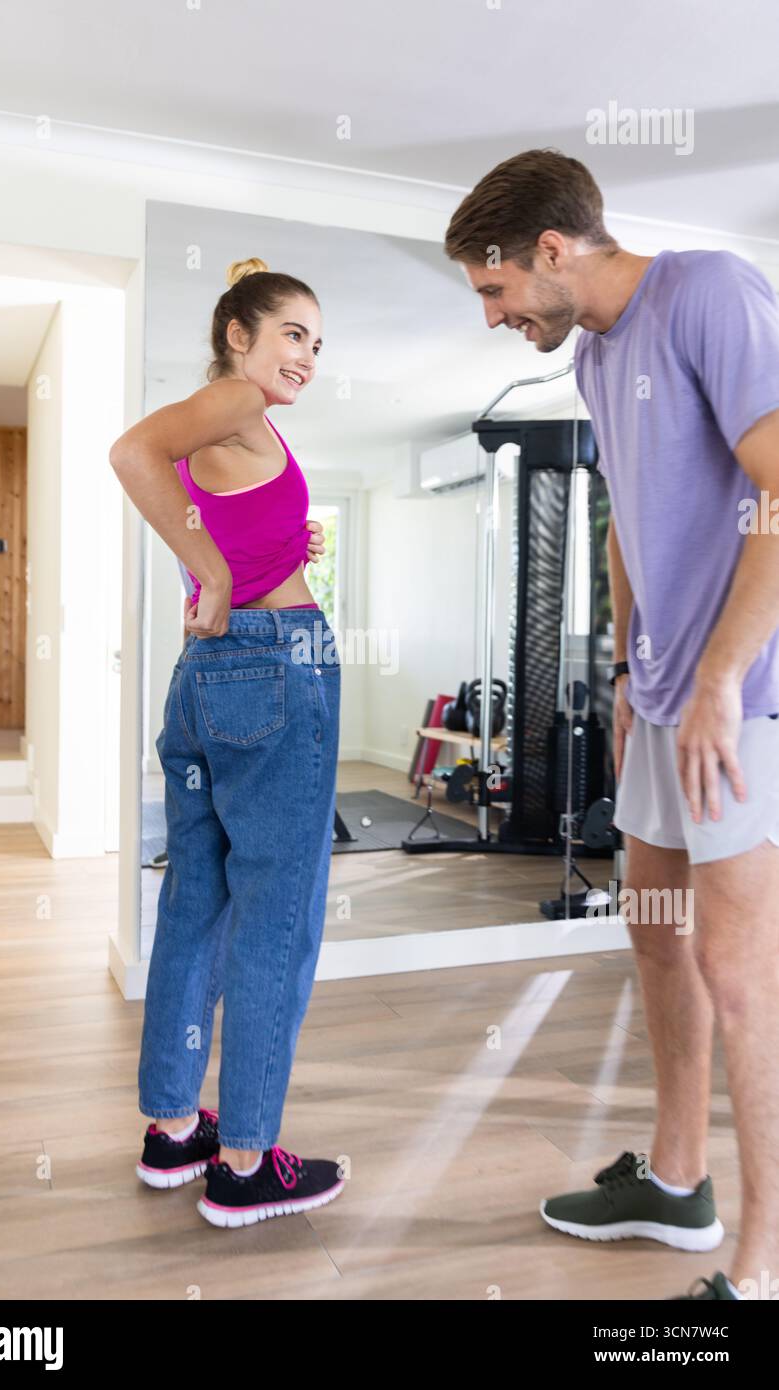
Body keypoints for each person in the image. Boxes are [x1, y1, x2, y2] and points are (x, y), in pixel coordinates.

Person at [444, 150, 779, 1300]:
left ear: (552, 250)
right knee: (658, 932)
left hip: (750, 705)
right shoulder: (594, 359)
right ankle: (677, 1181)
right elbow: (628, 527)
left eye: (493, 291)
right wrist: (630, 682)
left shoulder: (711, 293)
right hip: (667, 703)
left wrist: (724, 678)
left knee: (743, 974)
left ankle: (765, 1266)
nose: (492, 317)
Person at [110, 258, 345, 1228]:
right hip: (277, 666)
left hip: (208, 677)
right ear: (240, 336)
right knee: (276, 916)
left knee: (198, 897)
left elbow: (221, 526)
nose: (308, 356)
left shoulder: (234, 422)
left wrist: (269, 553)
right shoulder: (238, 398)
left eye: (318, 343)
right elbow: (130, 454)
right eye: (294, 331)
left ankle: (174, 1129)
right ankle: (246, 1158)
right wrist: (206, 563)